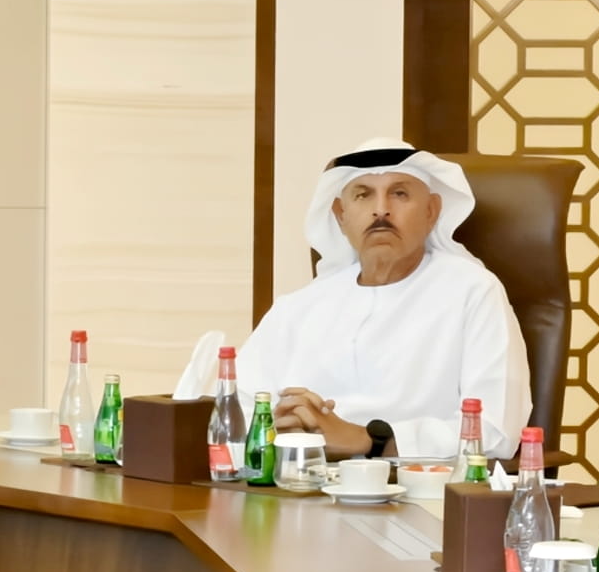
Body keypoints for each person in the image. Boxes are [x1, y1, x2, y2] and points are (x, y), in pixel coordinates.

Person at [180, 144, 531, 462]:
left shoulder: (473, 292)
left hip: (420, 495)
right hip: (301, 488)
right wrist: (276, 425)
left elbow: (496, 430)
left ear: (432, 211)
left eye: (399, 193)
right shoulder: (298, 308)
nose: (381, 210)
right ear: (340, 215)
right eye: (363, 195)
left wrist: (367, 440)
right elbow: (233, 413)